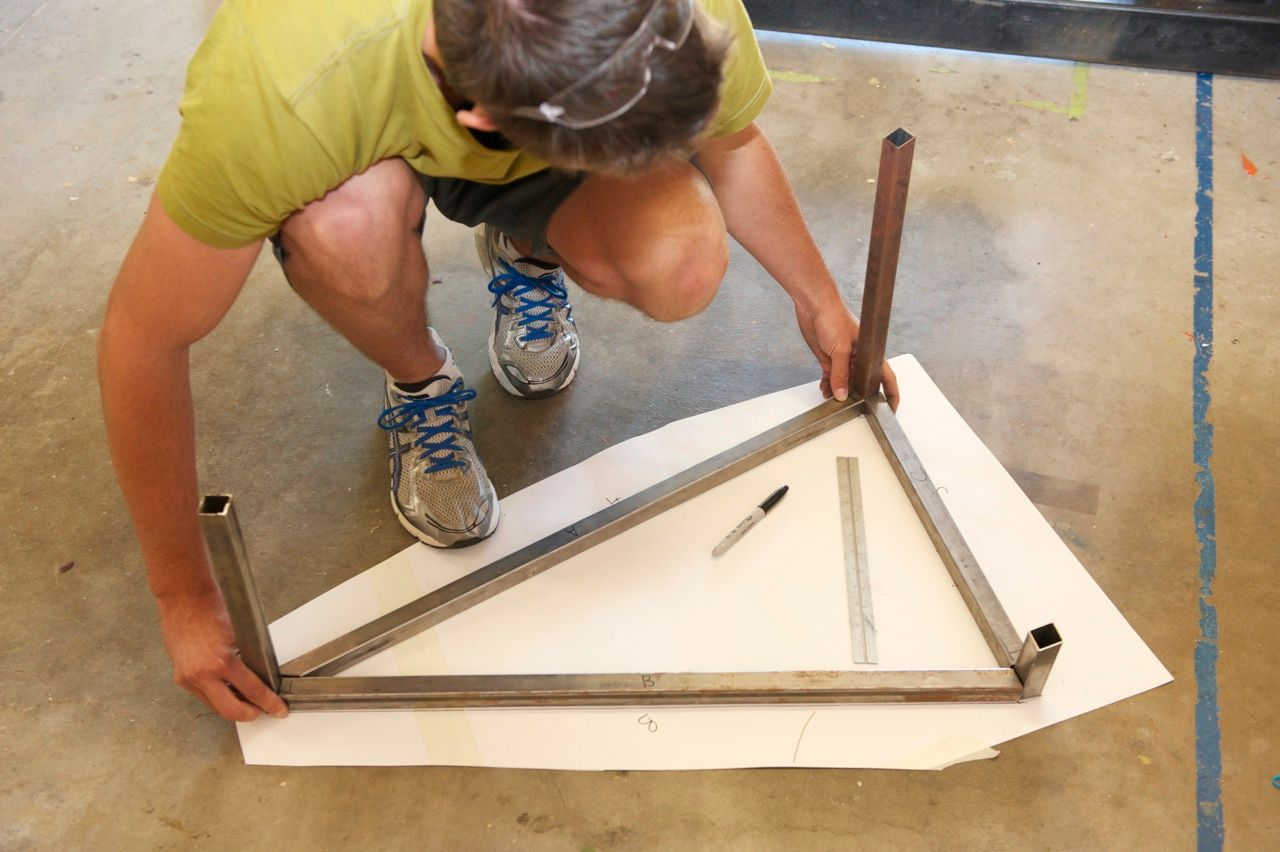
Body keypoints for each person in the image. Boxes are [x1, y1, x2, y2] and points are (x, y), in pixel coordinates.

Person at [98, 0, 900, 723]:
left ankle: (526, 244)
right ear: (480, 120)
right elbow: (144, 340)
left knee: (680, 259)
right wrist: (185, 597)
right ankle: (420, 377)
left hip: (500, 113)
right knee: (344, 235)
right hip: (355, 153)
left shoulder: (666, 13)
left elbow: (734, 146)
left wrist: (821, 304)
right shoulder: (283, 85)